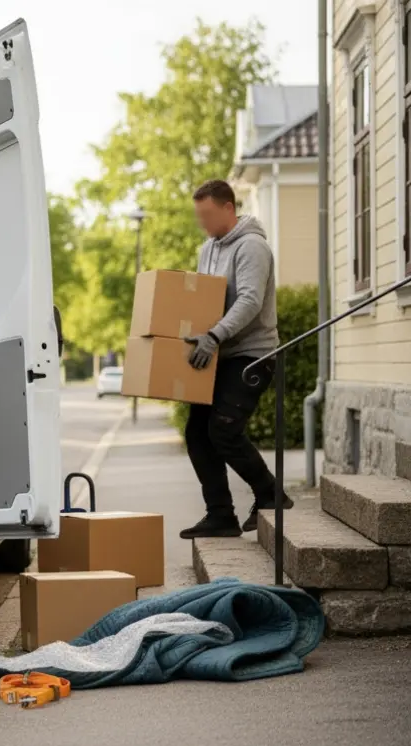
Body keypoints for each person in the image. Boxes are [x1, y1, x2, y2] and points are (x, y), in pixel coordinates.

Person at [178, 179, 292, 539]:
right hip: (216, 354)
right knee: (197, 433)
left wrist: (213, 336)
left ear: (229, 208)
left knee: (223, 431)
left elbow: (250, 301)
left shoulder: (252, 246)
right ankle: (220, 514)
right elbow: (204, 299)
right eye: (198, 217)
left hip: (250, 355)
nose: (203, 223)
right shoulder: (207, 248)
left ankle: (271, 494)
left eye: (208, 215)